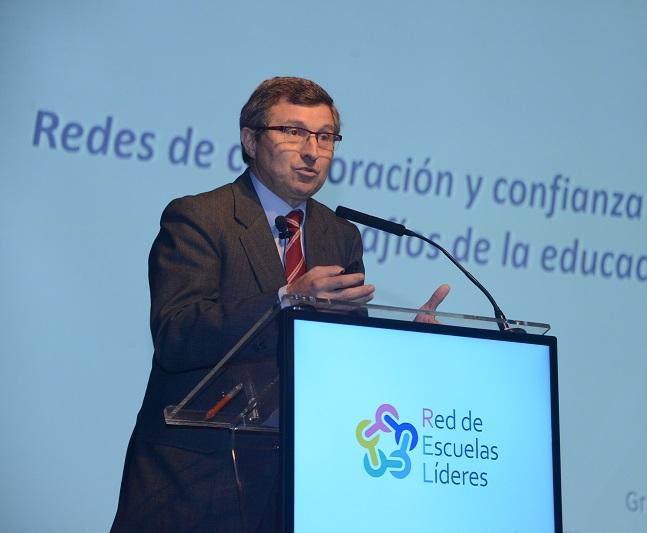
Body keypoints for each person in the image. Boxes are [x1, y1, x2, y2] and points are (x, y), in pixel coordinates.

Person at [111, 77, 448, 532]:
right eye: (293, 132)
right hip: (195, 480)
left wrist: (405, 347)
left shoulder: (339, 234)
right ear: (250, 140)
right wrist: (287, 299)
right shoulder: (199, 218)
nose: (312, 151)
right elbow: (177, 335)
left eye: (325, 136)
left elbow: (342, 359)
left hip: (297, 485)